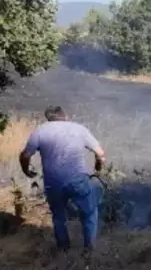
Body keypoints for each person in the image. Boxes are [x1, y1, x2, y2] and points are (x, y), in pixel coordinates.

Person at [19, 106, 106, 253]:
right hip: (78, 180)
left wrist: (26, 171)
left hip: (53, 183)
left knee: (59, 217)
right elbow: (100, 153)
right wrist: (98, 168)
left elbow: (25, 155)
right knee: (89, 213)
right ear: (65, 116)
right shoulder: (79, 129)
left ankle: (64, 250)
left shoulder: (41, 130)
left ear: (48, 118)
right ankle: (89, 250)